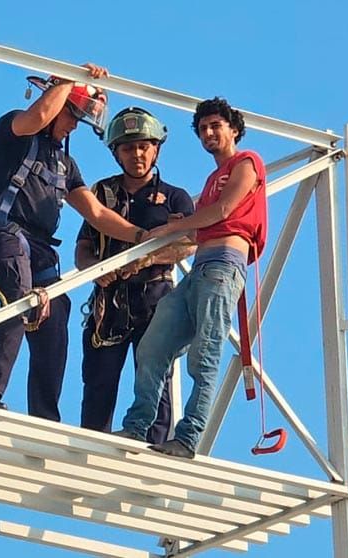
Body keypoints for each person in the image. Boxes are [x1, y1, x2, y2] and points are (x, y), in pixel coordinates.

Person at [0, 63, 149, 421]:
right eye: (71, 117)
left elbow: (97, 214)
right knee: (21, 301)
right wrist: (72, 81)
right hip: (3, 233)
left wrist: (141, 236)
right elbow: (39, 115)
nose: (72, 126)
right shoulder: (14, 131)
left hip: (39, 248)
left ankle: (45, 415)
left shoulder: (65, 164)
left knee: (57, 315)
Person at [115, 97, 267, 458]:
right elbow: (198, 232)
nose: (209, 133)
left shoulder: (248, 162)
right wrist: (151, 252)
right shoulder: (214, 176)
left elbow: (224, 210)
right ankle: (138, 427)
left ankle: (188, 437)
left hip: (224, 265)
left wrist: (175, 226)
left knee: (205, 351)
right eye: (202, 129)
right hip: (202, 266)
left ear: (233, 129)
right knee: (152, 346)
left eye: (216, 126)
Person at [75, 107, 195, 442]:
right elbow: (83, 248)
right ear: (116, 153)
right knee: (98, 380)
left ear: (156, 148)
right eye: (128, 148)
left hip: (155, 298)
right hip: (109, 302)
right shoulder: (103, 194)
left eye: (144, 146)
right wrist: (94, 271)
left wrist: (144, 260)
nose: (137, 154)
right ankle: (94, 444)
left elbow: (188, 244)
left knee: (154, 374)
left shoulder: (174, 197)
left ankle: (153, 446)